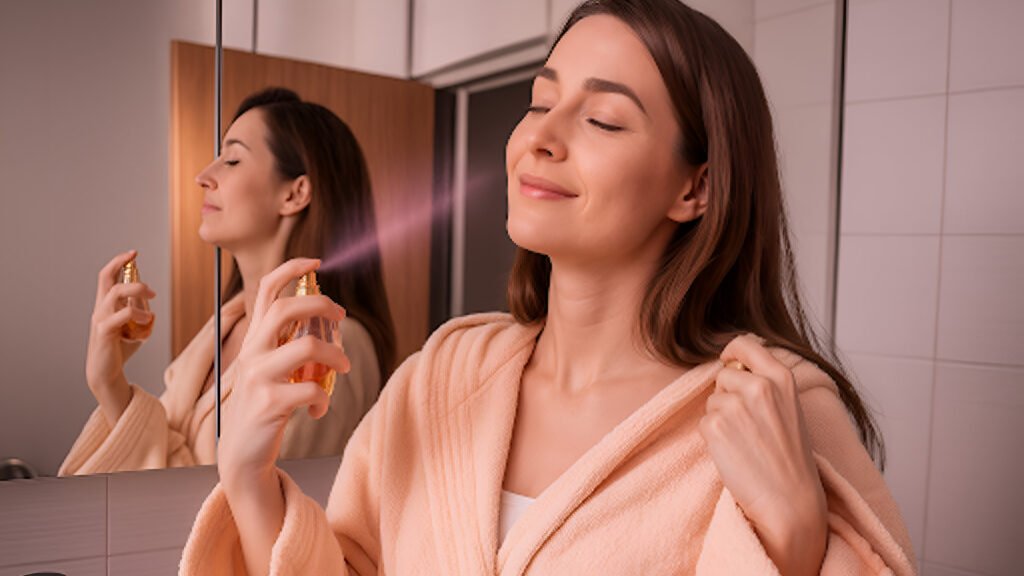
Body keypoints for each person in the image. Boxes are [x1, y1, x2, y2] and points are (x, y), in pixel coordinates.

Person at [181, 1, 915, 574]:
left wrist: (792, 544)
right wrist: (247, 477)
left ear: (696, 187)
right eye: (539, 102)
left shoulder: (771, 408)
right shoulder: (440, 377)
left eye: (602, 118)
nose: (540, 136)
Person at [60, 88, 396, 475]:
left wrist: (113, 389)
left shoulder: (331, 344)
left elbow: (248, 505)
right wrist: (109, 380)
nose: (203, 177)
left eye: (232, 159)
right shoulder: (222, 329)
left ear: (295, 193)